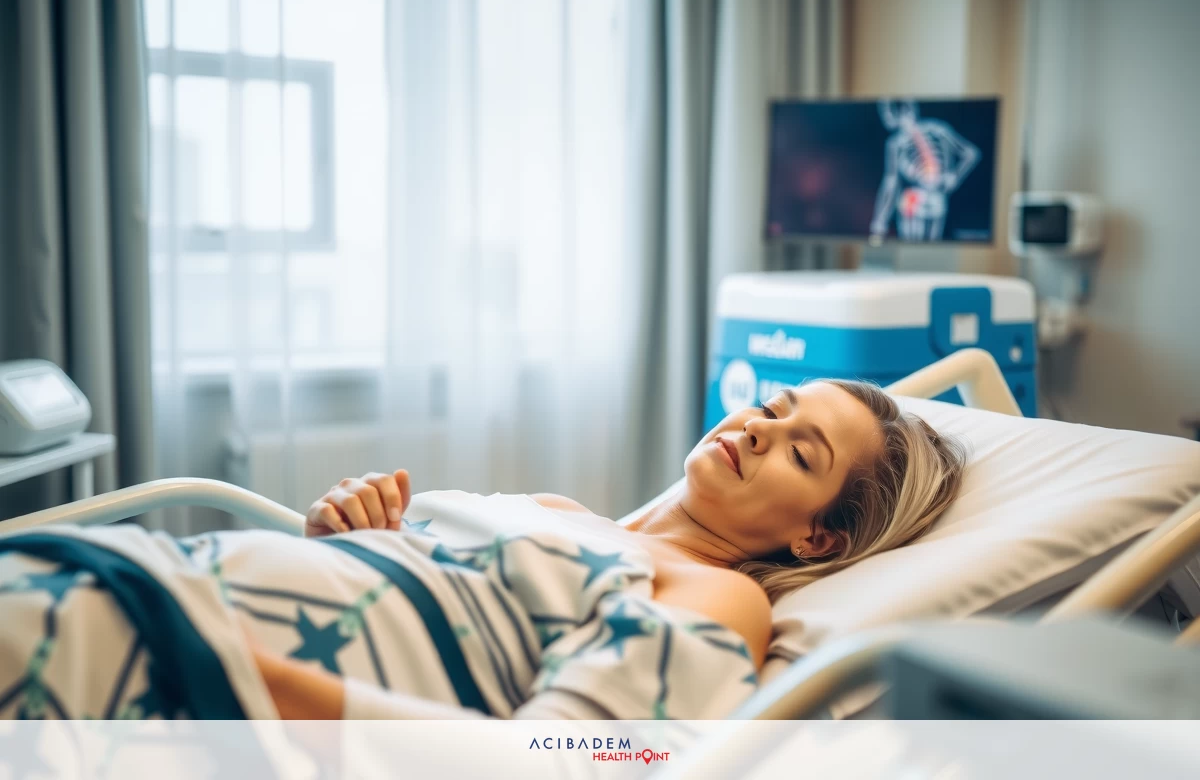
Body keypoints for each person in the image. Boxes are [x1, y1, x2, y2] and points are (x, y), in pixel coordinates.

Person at [0, 380, 964, 721]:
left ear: (819, 535)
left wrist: (218, 661)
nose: (757, 427)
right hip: (139, 587)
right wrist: (357, 545)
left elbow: (559, 759)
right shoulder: (553, 507)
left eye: (801, 449)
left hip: (153, 652)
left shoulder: (716, 597)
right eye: (773, 407)